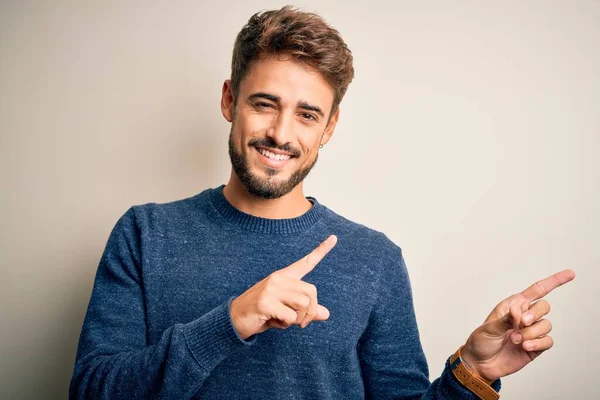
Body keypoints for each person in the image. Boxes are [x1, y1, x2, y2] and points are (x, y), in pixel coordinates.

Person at [69, 6, 575, 399]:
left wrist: (474, 371)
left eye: (307, 115)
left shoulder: (373, 259)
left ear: (329, 127)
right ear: (229, 100)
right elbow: (90, 392)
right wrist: (232, 321)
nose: (280, 134)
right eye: (264, 103)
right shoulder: (144, 234)